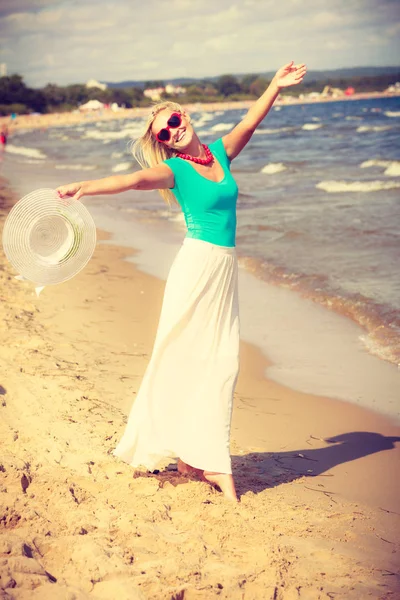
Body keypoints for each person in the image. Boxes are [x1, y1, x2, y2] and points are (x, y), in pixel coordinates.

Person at [57, 61, 307, 501]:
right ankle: (210, 463)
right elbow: (132, 179)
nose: (170, 133)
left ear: (185, 116)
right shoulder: (176, 171)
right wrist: (87, 187)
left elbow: (251, 120)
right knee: (183, 357)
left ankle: (194, 458)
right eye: (162, 134)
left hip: (222, 269)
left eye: (172, 122)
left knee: (221, 361)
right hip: (195, 269)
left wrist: (274, 84)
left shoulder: (220, 153)